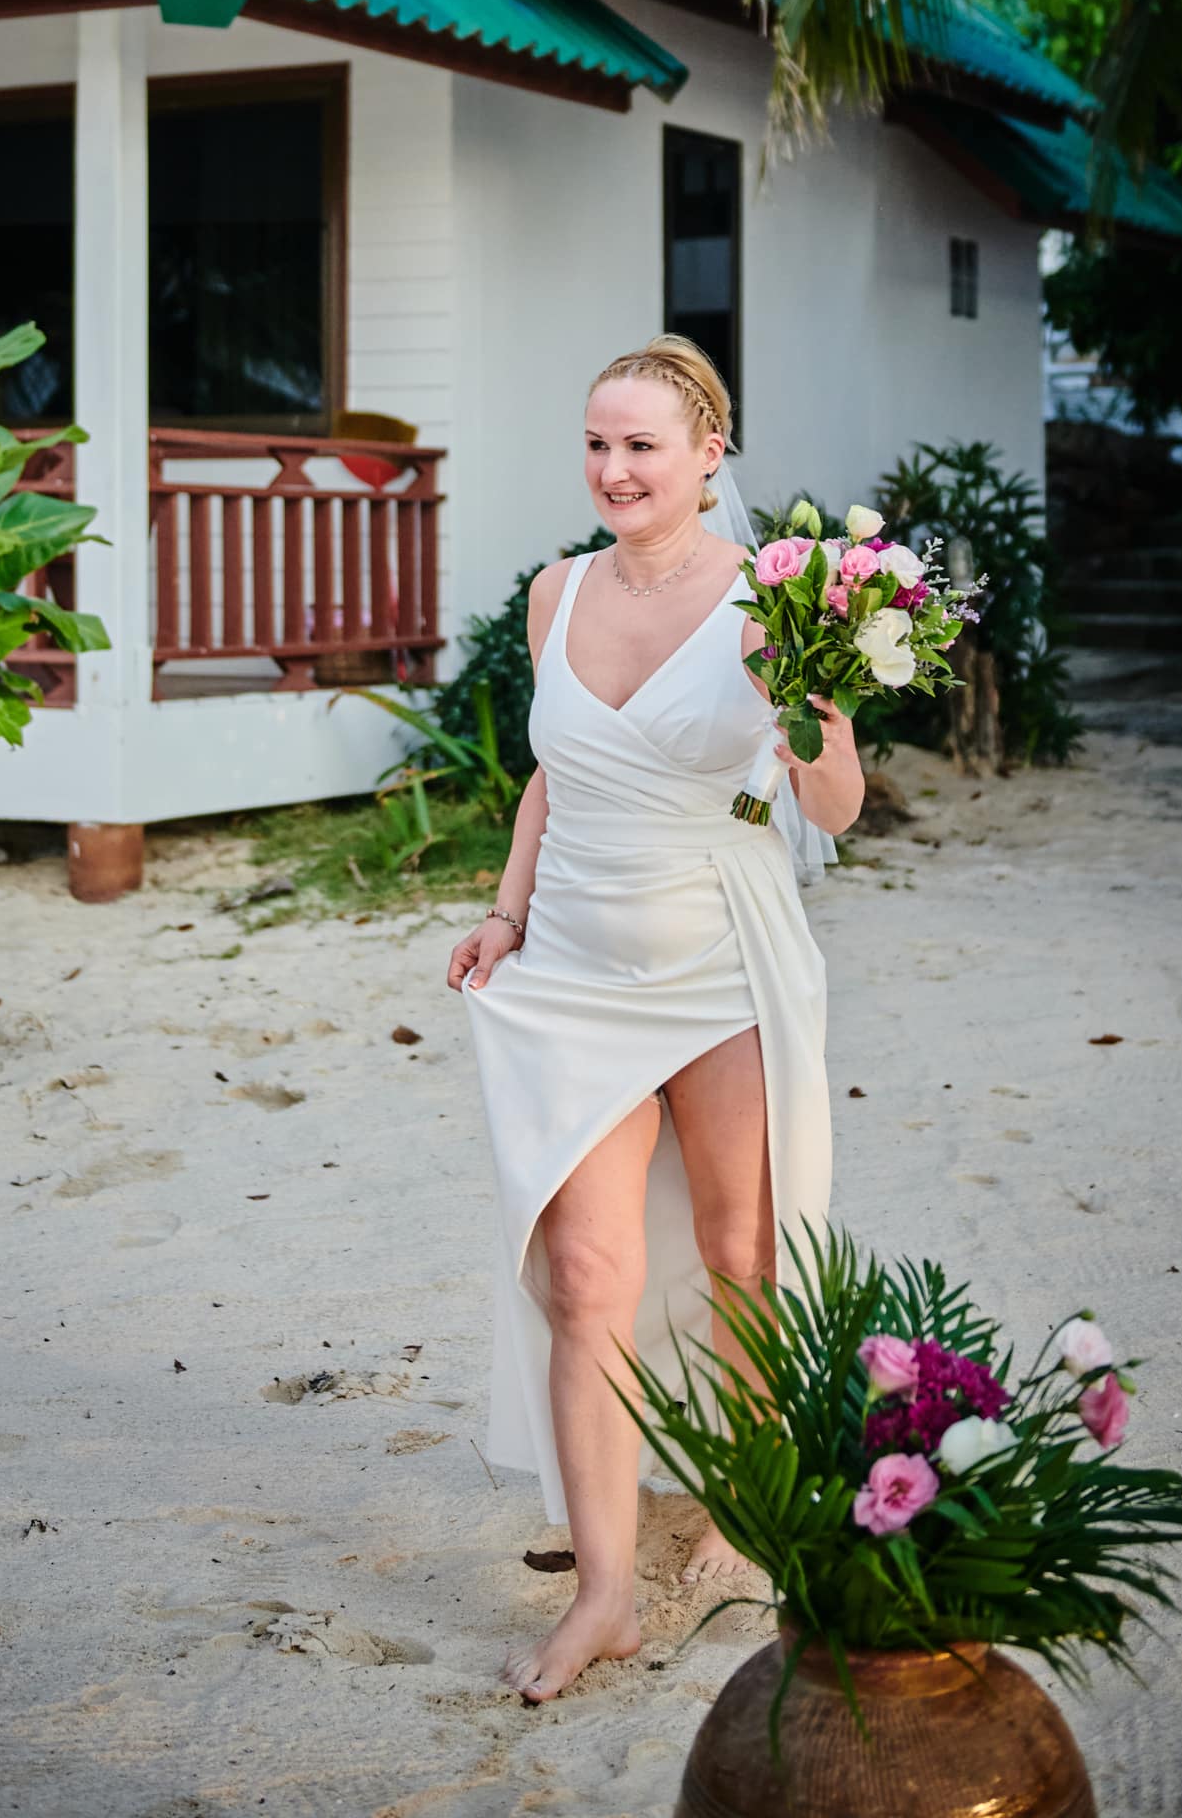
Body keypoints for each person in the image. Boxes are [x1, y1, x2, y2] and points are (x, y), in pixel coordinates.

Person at [448, 335, 864, 1703]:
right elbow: (547, 777)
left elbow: (832, 810)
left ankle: (746, 1523)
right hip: (568, 971)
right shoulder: (553, 594)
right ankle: (610, 1593)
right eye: (596, 444)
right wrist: (506, 915)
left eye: (641, 446)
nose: (614, 469)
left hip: (716, 969)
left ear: (708, 458)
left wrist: (825, 715)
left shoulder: (774, 602)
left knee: (745, 1252)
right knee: (586, 1282)